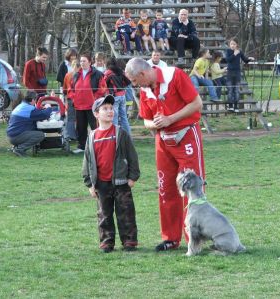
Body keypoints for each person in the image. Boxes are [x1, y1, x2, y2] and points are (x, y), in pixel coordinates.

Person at [125, 57, 205, 252]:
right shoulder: (145, 90)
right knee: (165, 188)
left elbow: (197, 104)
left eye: (135, 81)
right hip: (163, 141)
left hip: (186, 135)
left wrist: (171, 119)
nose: (135, 86)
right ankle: (170, 238)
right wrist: (156, 124)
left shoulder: (175, 75)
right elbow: (146, 121)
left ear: (143, 74)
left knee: (192, 187)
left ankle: (195, 238)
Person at [82, 95, 140, 253]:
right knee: (104, 215)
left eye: (111, 108)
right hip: (101, 184)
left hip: (121, 182)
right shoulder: (92, 136)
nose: (110, 111)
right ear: (96, 113)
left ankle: (129, 241)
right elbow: (87, 161)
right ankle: (107, 242)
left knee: (126, 213)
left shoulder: (120, 133)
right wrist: (90, 184)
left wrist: (132, 177)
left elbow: (132, 156)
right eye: (105, 109)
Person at [71, 53, 107, 152]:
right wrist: (74, 98)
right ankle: (82, 146)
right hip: (79, 106)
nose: (82, 63)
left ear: (90, 62)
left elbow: (103, 88)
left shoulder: (98, 74)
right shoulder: (76, 75)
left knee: (95, 127)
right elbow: (71, 89)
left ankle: (99, 145)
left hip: (92, 106)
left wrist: (94, 98)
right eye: (81, 61)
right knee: (80, 128)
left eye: (84, 61)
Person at [6, 90, 52, 157]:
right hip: (16, 136)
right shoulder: (29, 109)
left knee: (33, 130)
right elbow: (43, 115)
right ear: (33, 100)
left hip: (11, 136)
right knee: (40, 135)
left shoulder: (21, 106)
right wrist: (49, 108)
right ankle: (20, 149)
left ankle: (16, 147)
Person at [225, 38, 254, 112]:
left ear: (236, 44)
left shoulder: (239, 52)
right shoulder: (228, 51)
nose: (232, 45)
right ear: (229, 45)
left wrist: (249, 59)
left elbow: (245, 60)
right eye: (231, 44)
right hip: (230, 73)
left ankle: (236, 106)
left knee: (236, 90)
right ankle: (230, 106)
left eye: (234, 44)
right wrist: (234, 54)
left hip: (237, 73)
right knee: (230, 90)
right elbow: (228, 60)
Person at [104, 57, 132, 134]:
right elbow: (128, 82)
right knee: (124, 117)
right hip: (123, 96)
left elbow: (103, 83)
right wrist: (122, 86)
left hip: (114, 97)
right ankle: (128, 136)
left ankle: (114, 136)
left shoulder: (108, 73)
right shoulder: (121, 71)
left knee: (114, 117)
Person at [62, 59, 81, 140]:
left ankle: (71, 135)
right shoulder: (80, 75)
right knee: (79, 117)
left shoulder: (68, 75)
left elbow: (64, 89)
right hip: (78, 98)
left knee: (71, 118)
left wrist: (65, 97)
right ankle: (78, 135)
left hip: (71, 98)